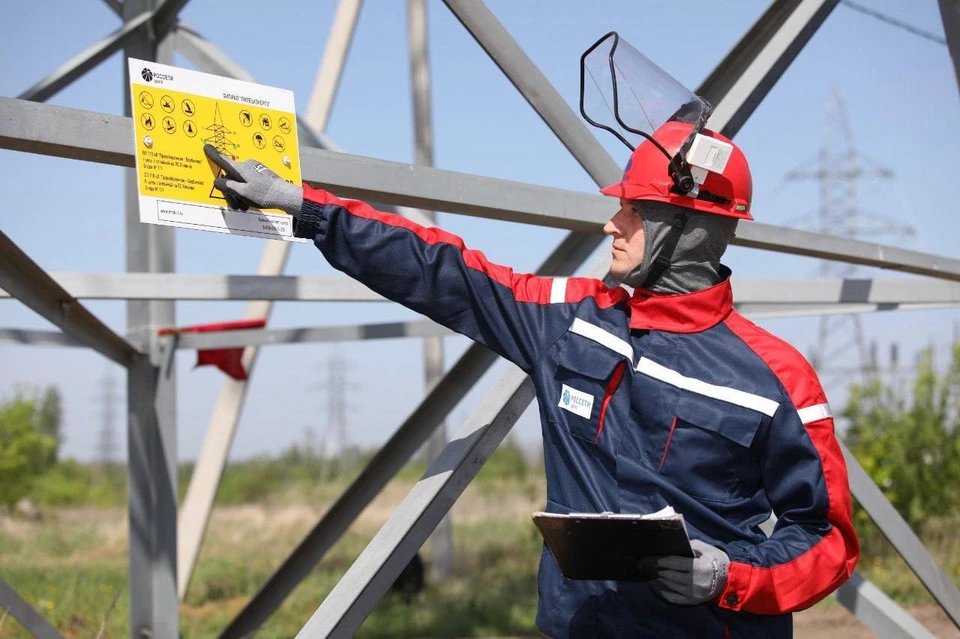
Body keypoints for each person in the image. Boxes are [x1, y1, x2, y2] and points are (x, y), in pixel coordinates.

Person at [204, 112, 858, 636]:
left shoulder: (777, 379)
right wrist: (305, 209)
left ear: (687, 229)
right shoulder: (568, 318)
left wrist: (730, 575)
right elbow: (442, 270)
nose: (612, 221)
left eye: (632, 208)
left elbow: (827, 539)